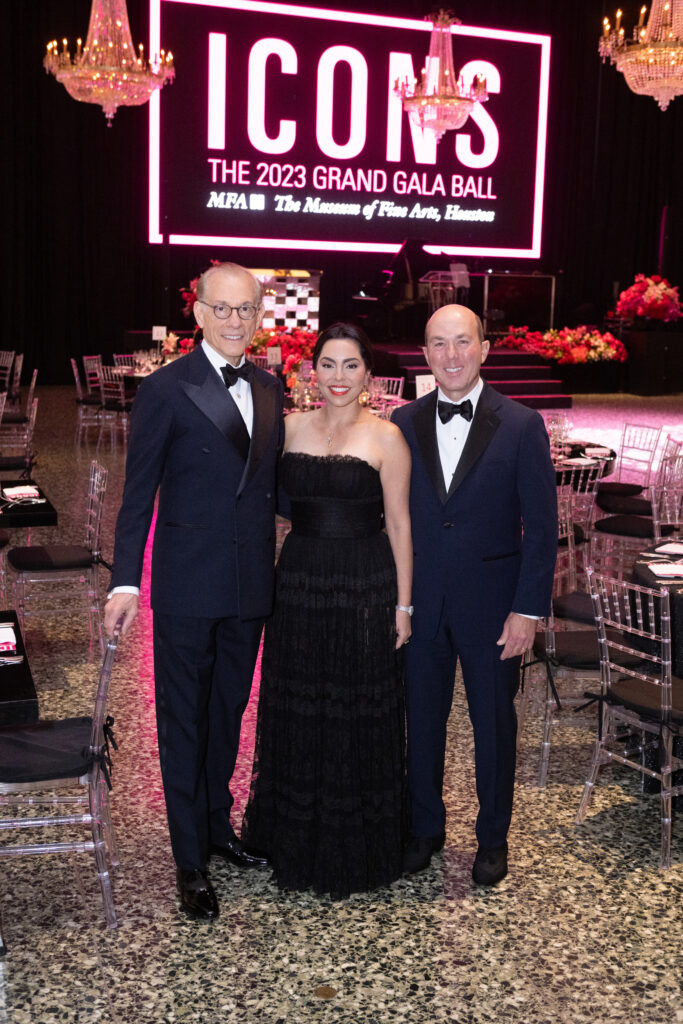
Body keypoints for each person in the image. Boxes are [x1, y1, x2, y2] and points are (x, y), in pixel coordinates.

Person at [103, 262, 284, 920]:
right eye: (224, 309)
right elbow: (138, 492)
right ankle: (188, 860)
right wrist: (126, 579)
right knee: (183, 722)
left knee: (227, 716)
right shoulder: (166, 389)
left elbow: (273, 487)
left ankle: (215, 824)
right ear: (199, 314)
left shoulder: (271, 386)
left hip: (247, 587)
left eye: (246, 310)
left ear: (259, 317)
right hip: (185, 582)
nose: (235, 321)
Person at [241, 322, 412, 898]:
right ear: (311, 370)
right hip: (298, 581)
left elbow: (400, 523)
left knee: (356, 703)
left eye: (351, 366)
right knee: (300, 700)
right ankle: (292, 837)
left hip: (366, 581)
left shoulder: (387, 437)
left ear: (368, 375)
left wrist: (403, 605)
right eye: (329, 365)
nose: (339, 377)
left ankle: (355, 843)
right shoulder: (285, 430)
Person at [391, 304, 557, 885]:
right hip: (421, 606)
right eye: (439, 344)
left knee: (493, 725)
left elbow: (541, 529)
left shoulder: (521, 424)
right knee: (423, 722)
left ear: (485, 348)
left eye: (463, 342)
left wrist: (527, 610)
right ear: (426, 353)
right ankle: (425, 827)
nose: (452, 355)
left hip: (495, 609)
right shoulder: (402, 421)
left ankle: (492, 839)